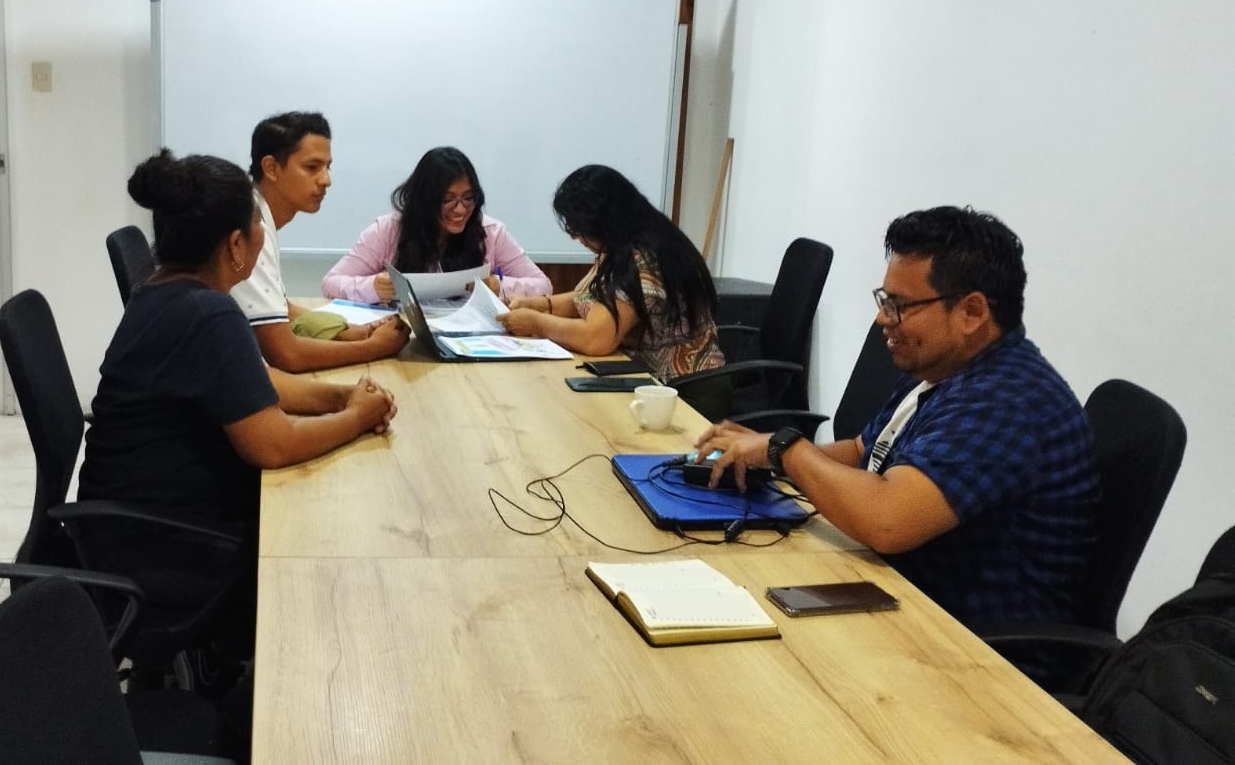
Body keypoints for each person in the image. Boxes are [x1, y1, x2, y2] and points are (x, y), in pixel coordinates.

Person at [696, 206, 1098, 656]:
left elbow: (887, 520)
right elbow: (865, 451)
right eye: (884, 300)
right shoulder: (942, 368)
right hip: (899, 595)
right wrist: (760, 455)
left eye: (899, 306)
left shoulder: (1009, 401)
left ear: (971, 312)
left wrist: (786, 449)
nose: (882, 319)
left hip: (975, 651)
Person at [78, 149, 398, 676]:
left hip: (127, 532)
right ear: (234, 245)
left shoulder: (162, 292)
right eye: (257, 229)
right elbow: (273, 444)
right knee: (331, 558)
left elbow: (252, 382)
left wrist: (341, 397)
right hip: (167, 549)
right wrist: (358, 419)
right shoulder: (209, 313)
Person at [495, 164, 729, 418]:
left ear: (604, 221)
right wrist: (539, 304)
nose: (576, 238)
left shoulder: (644, 259)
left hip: (684, 394)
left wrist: (536, 323)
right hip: (648, 382)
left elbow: (596, 339)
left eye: (580, 229)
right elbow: (590, 299)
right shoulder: (623, 245)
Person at [230, 111, 409, 372]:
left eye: (328, 167)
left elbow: (283, 310)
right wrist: (375, 347)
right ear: (271, 168)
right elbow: (286, 355)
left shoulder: (255, 212)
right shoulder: (249, 228)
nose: (326, 180)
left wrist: (355, 331)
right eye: (312, 167)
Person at [321, 146, 552, 303]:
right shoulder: (387, 231)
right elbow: (331, 283)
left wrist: (498, 286)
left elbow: (543, 285)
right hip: (401, 335)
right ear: (424, 199)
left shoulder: (491, 233)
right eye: (447, 200)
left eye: (468, 198)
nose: (460, 210)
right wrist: (373, 287)